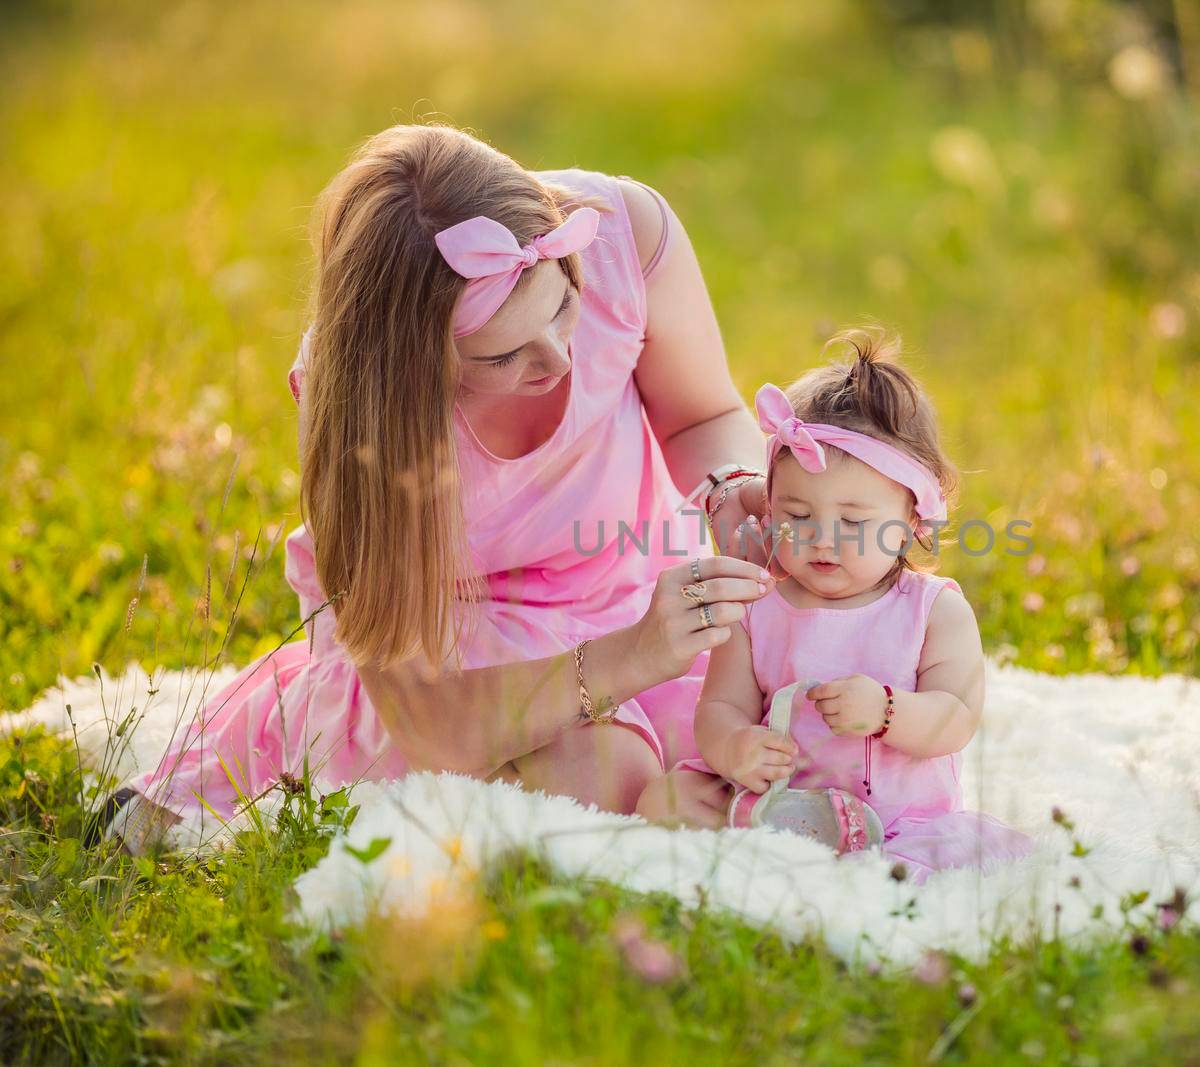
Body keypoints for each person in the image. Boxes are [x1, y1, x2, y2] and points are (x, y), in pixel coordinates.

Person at [92, 123, 777, 853]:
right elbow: (433, 723)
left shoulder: (622, 235)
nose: (558, 359)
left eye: (563, 305)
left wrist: (731, 484)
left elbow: (703, 414)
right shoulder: (362, 405)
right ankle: (272, 726)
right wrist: (631, 659)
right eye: (505, 353)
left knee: (773, 749)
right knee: (600, 786)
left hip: (618, 589)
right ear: (414, 368)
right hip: (449, 634)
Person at [644, 330, 1033, 882]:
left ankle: (863, 876)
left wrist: (887, 711)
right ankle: (759, 858)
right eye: (797, 516)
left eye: (853, 522)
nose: (823, 539)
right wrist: (734, 746)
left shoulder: (933, 612)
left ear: (911, 524)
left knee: (942, 864)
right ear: (769, 506)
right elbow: (719, 707)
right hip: (775, 806)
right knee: (668, 798)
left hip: (898, 820)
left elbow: (957, 716)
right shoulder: (756, 607)